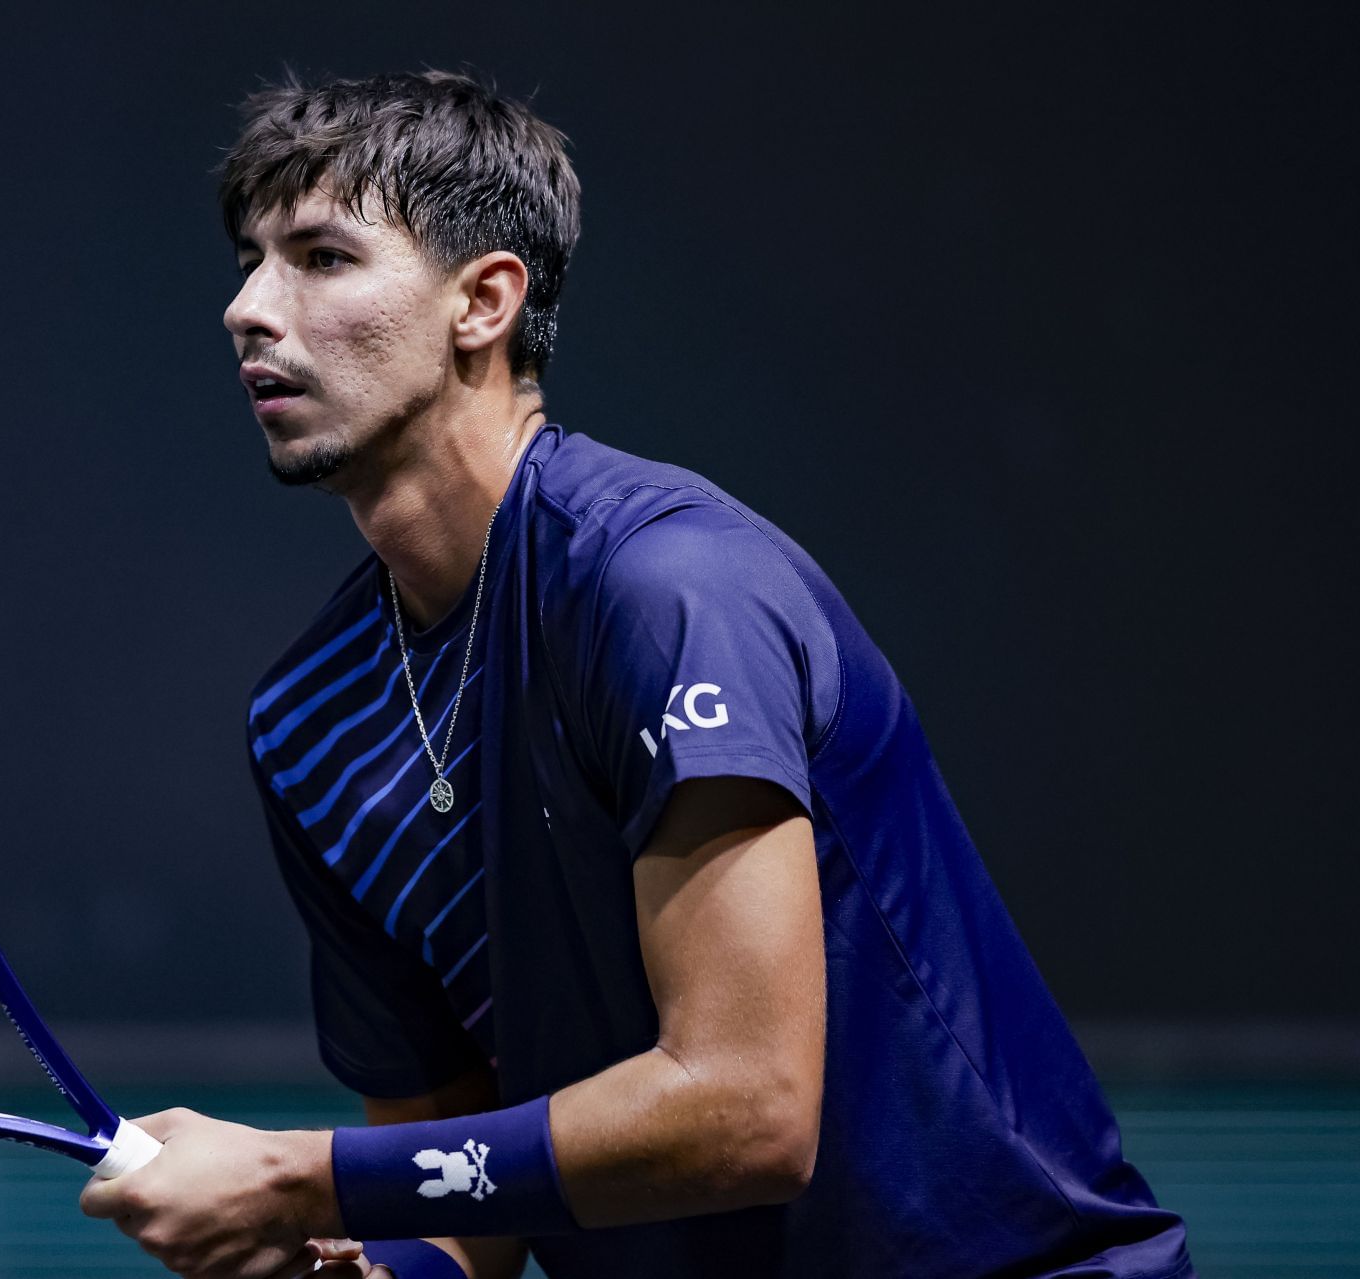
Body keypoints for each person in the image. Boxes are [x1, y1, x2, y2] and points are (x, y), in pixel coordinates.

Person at [81, 69, 1193, 1279]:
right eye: (249, 259)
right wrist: (354, 1263)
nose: (250, 306)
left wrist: (296, 1174)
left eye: (322, 258)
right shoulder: (311, 728)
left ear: (482, 303)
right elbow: (463, 1204)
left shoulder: (667, 589)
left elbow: (749, 1108)